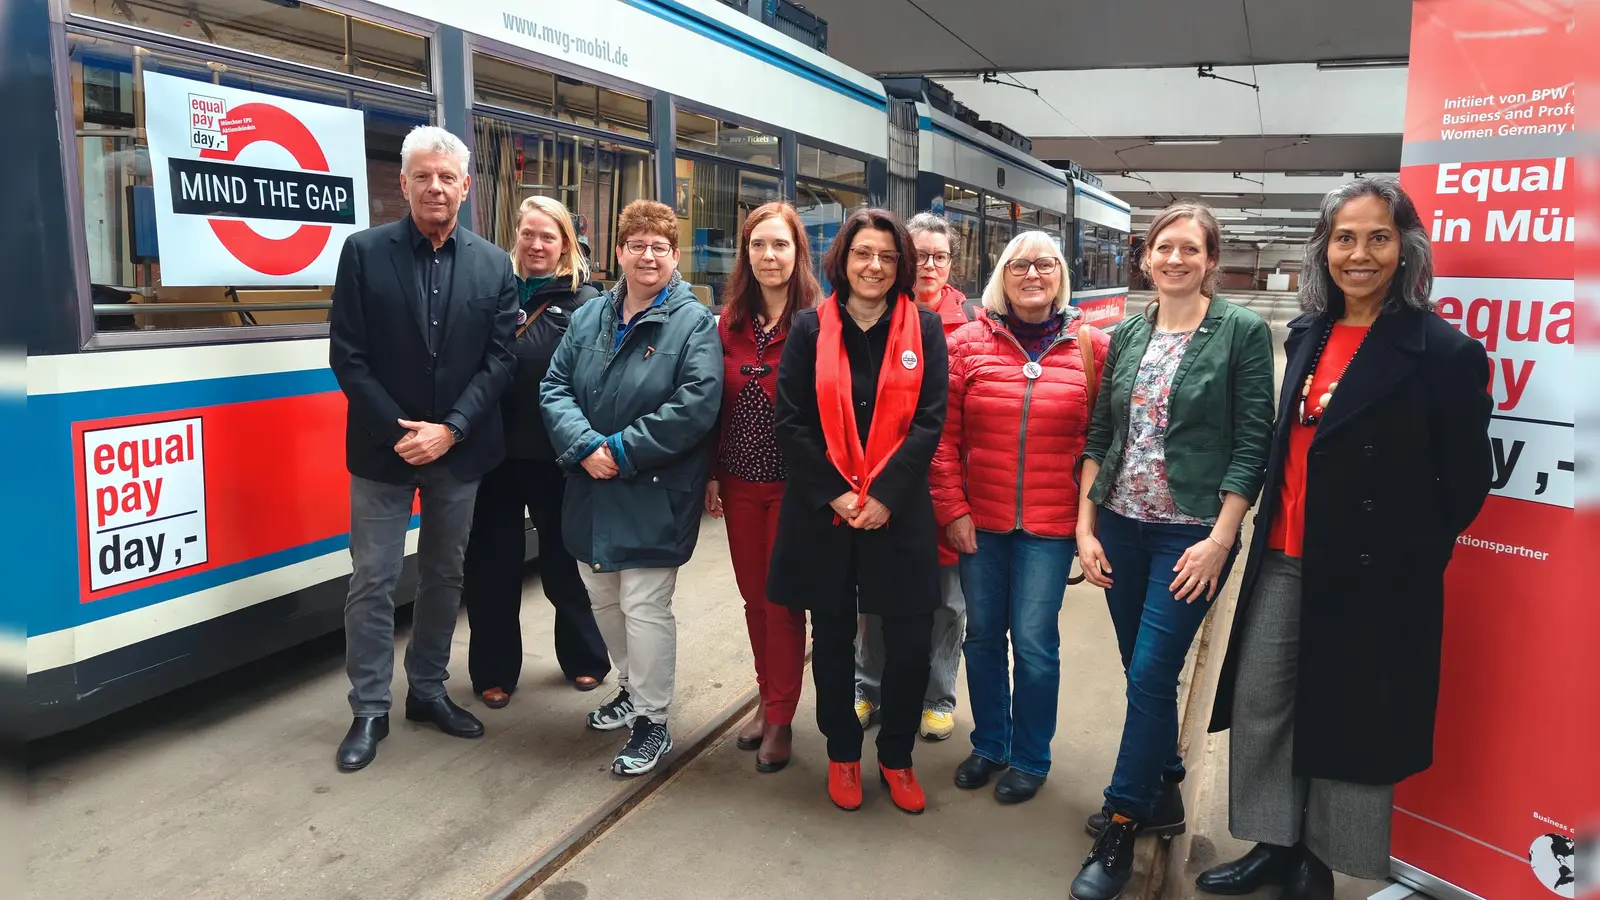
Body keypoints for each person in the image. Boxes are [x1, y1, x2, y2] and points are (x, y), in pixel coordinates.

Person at [1197, 177, 1492, 899]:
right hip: (1284, 558)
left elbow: (1464, 487)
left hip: (1371, 575)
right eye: (1345, 238)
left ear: (1406, 249)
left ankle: (1318, 861)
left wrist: (1403, 561)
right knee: (1264, 704)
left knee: (1347, 720)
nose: (1359, 254)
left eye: (1378, 237)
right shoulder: (1307, 333)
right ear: (1323, 249)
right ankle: (1273, 841)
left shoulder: (1444, 354)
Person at [1070, 201, 1275, 899]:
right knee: (1141, 670)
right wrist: (1085, 525)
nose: (1176, 259)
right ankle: (1163, 787)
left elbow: (1254, 444)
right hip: (1121, 527)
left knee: (1153, 675)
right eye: (1164, 248)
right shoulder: (1127, 333)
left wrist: (1222, 539)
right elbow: (1099, 433)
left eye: (1191, 249)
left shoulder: (1241, 332)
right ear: (1147, 258)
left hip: (1190, 537)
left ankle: (1123, 823)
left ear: (1210, 260)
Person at [327, 125, 517, 772]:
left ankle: (428, 691)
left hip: (458, 452)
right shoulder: (362, 253)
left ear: (466, 187)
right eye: (422, 175)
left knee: (444, 575)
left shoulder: (495, 264)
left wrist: (452, 429)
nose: (435, 186)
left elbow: (500, 361)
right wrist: (399, 430)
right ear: (402, 183)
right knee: (373, 579)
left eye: (447, 177)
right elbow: (347, 358)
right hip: (383, 452)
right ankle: (370, 706)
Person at [768, 208, 949, 814]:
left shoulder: (924, 328)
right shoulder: (806, 329)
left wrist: (884, 496)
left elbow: (930, 421)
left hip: (897, 513)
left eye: (888, 257)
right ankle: (843, 753)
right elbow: (790, 422)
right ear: (842, 260)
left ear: (902, 267)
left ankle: (896, 757)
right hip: (827, 512)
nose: (874, 266)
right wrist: (839, 494)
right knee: (836, 635)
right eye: (863, 254)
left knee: (909, 639)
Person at [540, 199, 723, 777]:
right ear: (618, 251)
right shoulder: (590, 315)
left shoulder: (693, 323)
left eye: (660, 247)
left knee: (645, 606)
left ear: (674, 256)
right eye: (637, 244)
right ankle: (629, 689)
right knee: (604, 599)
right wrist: (585, 446)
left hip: (653, 489)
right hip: (592, 486)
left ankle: (653, 719)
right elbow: (554, 386)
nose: (648, 255)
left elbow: (695, 406)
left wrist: (617, 451)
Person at [931, 230, 1108, 805]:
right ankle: (989, 745)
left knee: (1034, 643)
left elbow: (1102, 442)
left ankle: (1030, 756)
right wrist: (953, 509)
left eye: (1046, 265)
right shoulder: (968, 343)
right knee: (981, 638)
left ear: (1061, 275)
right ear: (1002, 276)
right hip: (978, 521)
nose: (1033, 275)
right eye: (1020, 265)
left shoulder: (1090, 348)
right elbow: (943, 438)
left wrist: (1088, 524)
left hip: (1050, 528)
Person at [461, 196, 609, 710]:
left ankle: (587, 659)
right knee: (491, 568)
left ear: (566, 243)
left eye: (548, 236)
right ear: (516, 238)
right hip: (493, 455)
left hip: (556, 456)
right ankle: (494, 671)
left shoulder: (586, 301)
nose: (537, 244)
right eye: (528, 234)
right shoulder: (492, 291)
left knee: (563, 564)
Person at [704, 202, 821, 772]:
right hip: (738, 480)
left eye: (779, 245)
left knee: (783, 602)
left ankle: (780, 717)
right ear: (745, 254)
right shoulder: (728, 324)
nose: (768, 256)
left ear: (798, 253)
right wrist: (708, 473)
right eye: (757, 246)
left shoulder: (820, 323)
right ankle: (766, 697)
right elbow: (708, 402)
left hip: (794, 487)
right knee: (754, 600)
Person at [854, 211, 972, 742]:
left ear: (951, 264)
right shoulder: (876, 317)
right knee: (876, 596)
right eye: (918, 255)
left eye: (939, 256)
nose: (928, 266)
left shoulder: (971, 325)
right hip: (882, 486)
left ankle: (938, 696)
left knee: (946, 601)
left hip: (943, 488)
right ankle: (868, 687)